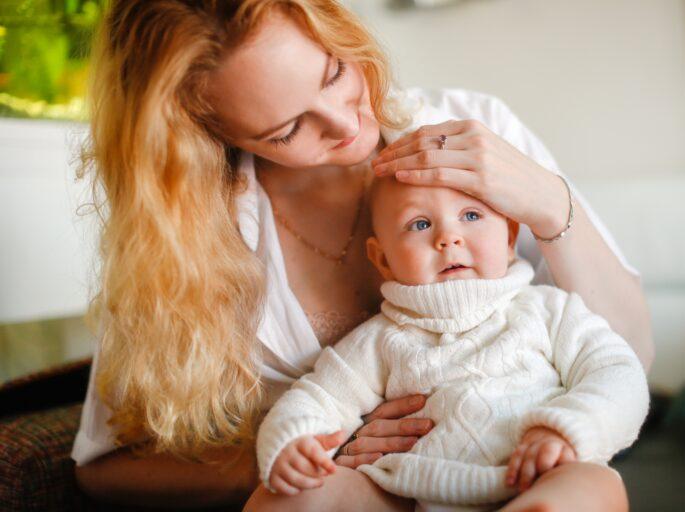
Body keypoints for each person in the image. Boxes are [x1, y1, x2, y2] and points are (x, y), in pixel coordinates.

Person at [73, 0, 653, 510]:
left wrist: (552, 204)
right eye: (286, 129)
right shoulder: (183, 239)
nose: (348, 123)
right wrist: (287, 455)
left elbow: (624, 357)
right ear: (208, 136)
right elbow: (104, 467)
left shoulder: (474, 132)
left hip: (531, 465)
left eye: (334, 74)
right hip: (382, 483)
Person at [250, 176, 650, 511]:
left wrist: (568, 430)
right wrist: (295, 440)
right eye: (420, 224)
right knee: (284, 500)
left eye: (471, 216)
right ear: (383, 259)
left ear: (510, 235)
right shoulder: (380, 337)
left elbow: (617, 374)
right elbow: (320, 396)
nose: (448, 237)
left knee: (590, 488)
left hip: (536, 475)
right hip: (408, 491)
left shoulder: (549, 309)